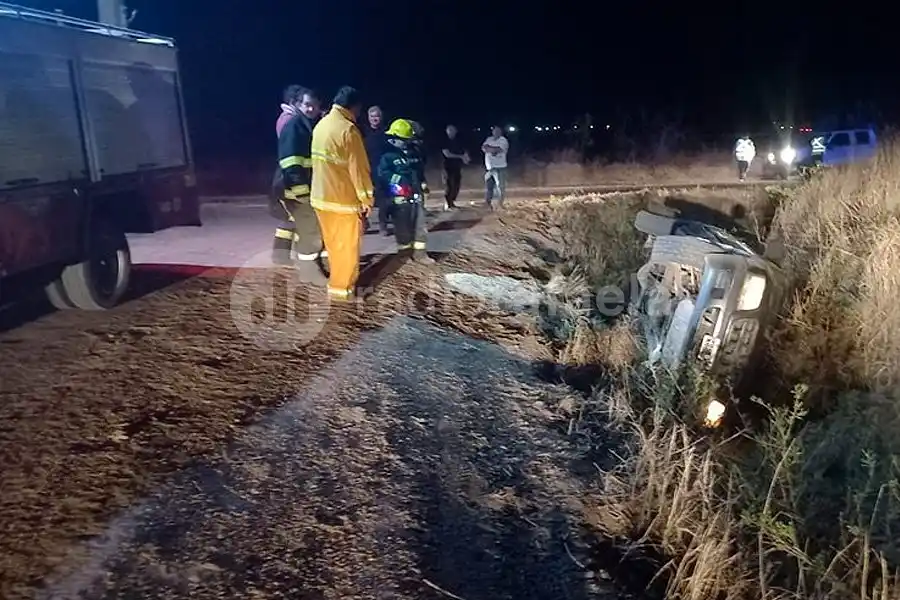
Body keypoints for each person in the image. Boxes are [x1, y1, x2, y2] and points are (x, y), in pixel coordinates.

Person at [310, 86, 374, 301]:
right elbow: (359, 170)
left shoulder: (321, 125)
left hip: (320, 199)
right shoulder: (348, 130)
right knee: (347, 248)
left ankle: (337, 285)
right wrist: (367, 199)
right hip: (342, 202)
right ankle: (342, 291)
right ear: (355, 107)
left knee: (334, 246)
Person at [270, 85, 326, 283]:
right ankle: (310, 272)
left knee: (300, 226)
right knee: (309, 229)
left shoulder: (306, 124)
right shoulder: (294, 125)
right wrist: (301, 191)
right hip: (294, 188)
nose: (311, 109)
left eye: (314, 105)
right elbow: (291, 162)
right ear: (298, 105)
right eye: (307, 105)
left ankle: (312, 266)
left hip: (302, 187)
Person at [377, 119, 435, 264]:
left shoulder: (414, 151)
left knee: (420, 225)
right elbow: (383, 174)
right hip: (399, 196)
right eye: (404, 140)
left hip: (416, 194)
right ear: (394, 137)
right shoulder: (387, 154)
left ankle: (420, 254)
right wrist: (401, 181)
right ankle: (404, 255)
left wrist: (423, 183)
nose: (406, 142)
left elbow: (419, 170)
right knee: (403, 227)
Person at [362, 105, 391, 236]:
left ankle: (383, 225)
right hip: (366, 170)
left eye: (377, 116)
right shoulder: (363, 132)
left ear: (381, 117)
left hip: (383, 170)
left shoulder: (387, 133)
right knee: (364, 198)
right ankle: (363, 223)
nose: (375, 119)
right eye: (372, 116)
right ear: (368, 118)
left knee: (384, 199)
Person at [441, 124, 469, 210]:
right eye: (449, 130)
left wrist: (466, 157)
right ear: (446, 131)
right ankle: (449, 203)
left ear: (456, 131)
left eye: (453, 130)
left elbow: (464, 151)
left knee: (457, 185)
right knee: (449, 185)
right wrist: (461, 157)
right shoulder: (444, 141)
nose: (451, 132)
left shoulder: (458, 141)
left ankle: (452, 201)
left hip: (457, 166)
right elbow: (447, 154)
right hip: (447, 166)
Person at [481, 125, 509, 210]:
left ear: (501, 132)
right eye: (494, 131)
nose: (496, 132)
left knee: (500, 187)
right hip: (489, 168)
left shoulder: (503, 140)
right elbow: (483, 148)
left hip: (499, 167)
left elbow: (498, 149)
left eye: (498, 131)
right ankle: (488, 203)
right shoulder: (489, 139)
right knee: (489, 187)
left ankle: (500, 204)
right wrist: (492, 149)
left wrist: (489, 148)